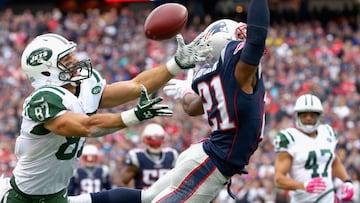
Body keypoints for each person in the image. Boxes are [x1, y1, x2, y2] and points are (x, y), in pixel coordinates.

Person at [68, 0, 269, 202]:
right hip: (213, 161)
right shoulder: (240, 72)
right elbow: (257, 38)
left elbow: (192, 107)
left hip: (203, 154)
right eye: (239, 37)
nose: (244, 42)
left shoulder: (211, 74)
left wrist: (185, 92)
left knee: (146, 197)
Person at [0, 29, 211, 203]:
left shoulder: (84, 86)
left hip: (57, 197)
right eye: (65, 59)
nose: (75, 61)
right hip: (23, 199)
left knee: (143, 197)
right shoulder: (44, 99)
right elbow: (87, 127)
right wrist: (134, 116)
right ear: (46, 72)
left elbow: (136, 86)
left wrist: (176, 64)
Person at [273, 94, 355, 203]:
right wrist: (303, 186)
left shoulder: (327, 133)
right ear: (297, 116)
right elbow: (278, 179)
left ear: (319, 116)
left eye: (313, 115)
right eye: (304, 115)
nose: (308, 118)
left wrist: (347, 181)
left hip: (328, 198)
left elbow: (334, 162)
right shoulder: (289, 138)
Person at [120, 123, 178, 189]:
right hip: (145, 197)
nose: (155, 143)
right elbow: (124, 181)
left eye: (158, 140)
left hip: (165, 197)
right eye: (152, 140)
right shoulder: (137, 157)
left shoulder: (171, 154)